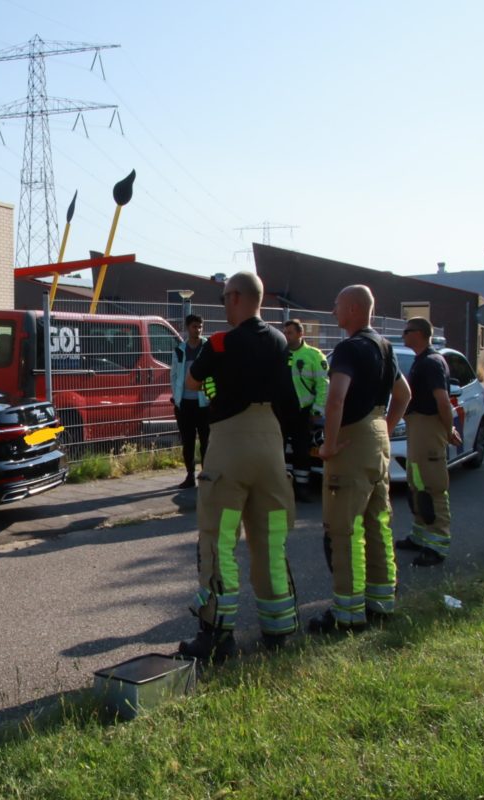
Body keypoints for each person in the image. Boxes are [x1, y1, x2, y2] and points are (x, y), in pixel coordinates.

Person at [176, 272, 300, 662]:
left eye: (225, 296)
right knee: (270, 540)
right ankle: (278, 628)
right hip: (271, 443)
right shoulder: (281, 341)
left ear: (235, 298)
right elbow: (289, 399)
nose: (223, 302)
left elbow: (193, 383)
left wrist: (217, 391)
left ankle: (217, 634)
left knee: (219, 541)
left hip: (230, 442)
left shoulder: (220, 342)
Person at [309, 285, 411, 633]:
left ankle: (348, 614)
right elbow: (404, 394)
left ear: (353, 308)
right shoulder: (385, 347)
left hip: (352, 440)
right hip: (377, 436)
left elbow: (335, 400)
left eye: (337, 305)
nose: (334, 310)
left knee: (344, 529)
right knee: (377, 522)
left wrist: (329, 445)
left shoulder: (348, 349)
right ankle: (382, 602)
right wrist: (384, 426)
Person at [395, 317, 462, 567]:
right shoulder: (421, 361)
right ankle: (420, 536)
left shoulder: (432, 363)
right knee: (417, 484)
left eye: (407, 331)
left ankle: (437, 545)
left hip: (428, 428)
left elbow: (443, 401)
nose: (403, 335)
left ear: (420, 334)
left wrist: (449, 429)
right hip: (416, 428)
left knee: (433, 487)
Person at [282, 318, 328, 503]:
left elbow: (323, 386)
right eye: (285, 332)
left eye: (290, 333)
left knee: (302, 451)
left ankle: (302, 487)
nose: (286, 336)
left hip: (303, 412)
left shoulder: (314, 355)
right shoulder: (280, 353)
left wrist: (316, 412)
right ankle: (283, 486)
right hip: (281, 410)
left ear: (301, 334)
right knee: (280, 450)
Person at [171, 313, 211, 490]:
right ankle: (189, 475)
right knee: (187, 441)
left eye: (200, 327)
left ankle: (207, 473)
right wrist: (176, 396)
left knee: (206, 440)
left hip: (203, 403)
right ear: (188, 328)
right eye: (195, 326)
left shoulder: (207, 347)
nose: (198, 330)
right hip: (185, 403)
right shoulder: (180, 349)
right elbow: (174, 374)